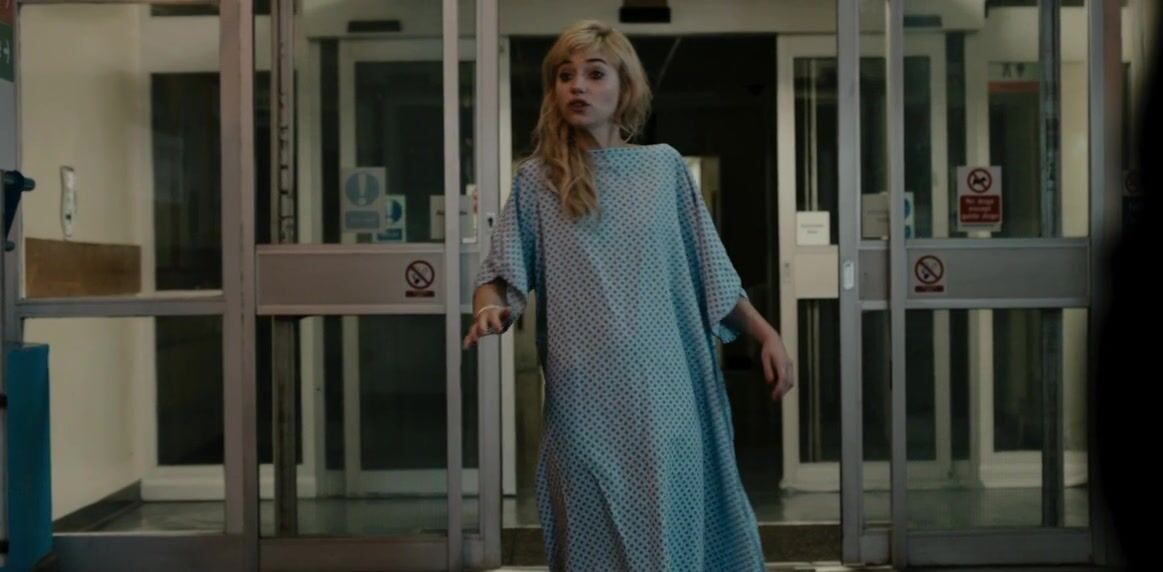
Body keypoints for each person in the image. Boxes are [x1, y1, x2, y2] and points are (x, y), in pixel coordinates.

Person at [463, 20, 793, 571]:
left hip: (666, 395)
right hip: (581, 397)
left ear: (626, 88)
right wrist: (488, 308)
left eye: (595, 74)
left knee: (668, 532)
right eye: (565, 76)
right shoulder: (537, 181)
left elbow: (710, 273)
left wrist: (767, 334)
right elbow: (498, 275)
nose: (577, 86)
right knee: (589, 533)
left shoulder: (664, 168)